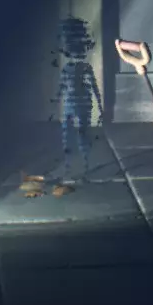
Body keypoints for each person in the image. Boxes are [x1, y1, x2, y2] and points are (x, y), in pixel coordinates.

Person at [52, 16, 103, 185]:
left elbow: (93, 87)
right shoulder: (71, 68)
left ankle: (84, 167)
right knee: (69, 135)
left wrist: (100, 107)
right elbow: (62, 87)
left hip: (80, 103)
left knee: (81, 135)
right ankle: (71, 167)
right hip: (73, 103)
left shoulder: (83, 68)